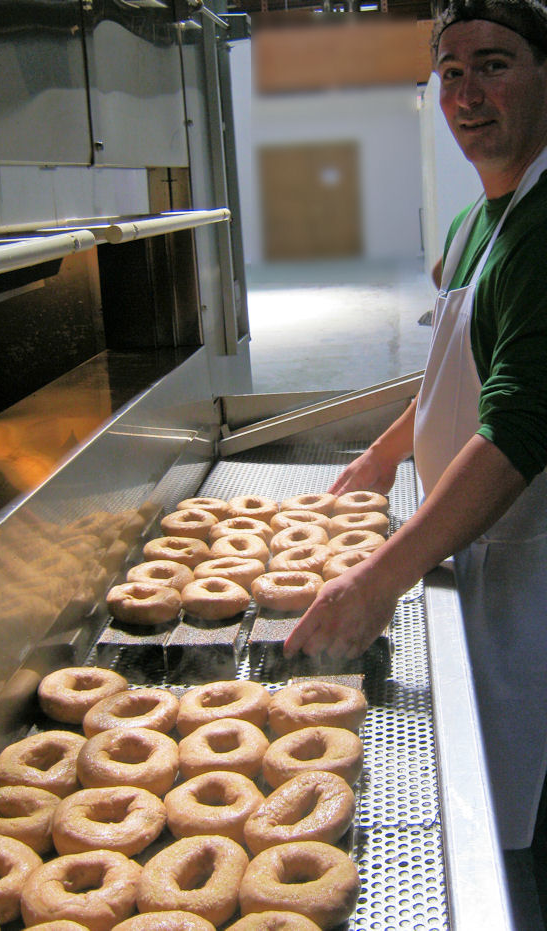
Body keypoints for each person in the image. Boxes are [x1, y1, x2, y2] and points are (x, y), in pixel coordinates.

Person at [284, 0, 547, 914]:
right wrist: (378, 461)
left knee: (522, 819)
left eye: (496, 64)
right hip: (466, 551)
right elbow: (453, 371)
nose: (468, 93)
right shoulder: (484, 220)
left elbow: (518, 427)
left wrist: (378, 579)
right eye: (450, 71)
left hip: (530, 577)